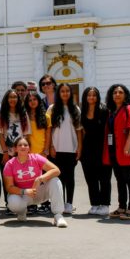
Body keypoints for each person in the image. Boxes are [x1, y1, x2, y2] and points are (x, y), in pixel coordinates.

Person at [4, 137, 68, 228]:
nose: (23, 147)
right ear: (15, 148)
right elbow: (9, 187)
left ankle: (58, 215)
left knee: (55, 180)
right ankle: (22, 212)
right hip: (23, 195)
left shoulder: (36, 158)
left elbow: (56, 170)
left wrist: (40, 179)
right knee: (13, 202)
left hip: (39, 192)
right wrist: (25, 191)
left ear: (29, 148)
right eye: (20, 145)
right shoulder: (10, 164)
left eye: (25, 145)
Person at [103, 84, 130, 221]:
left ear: (125, 95)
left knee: (129, 179)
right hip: (114, 150)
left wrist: (127, 144)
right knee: (120, 180)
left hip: (126, 150)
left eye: (120, 92)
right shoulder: (112, 111)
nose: (117, 95)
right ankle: (121, 207)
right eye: (115, 92)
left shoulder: (128, 108)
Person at [47, 83, 82, 215]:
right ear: (59, 93)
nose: (65, 93)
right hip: (56, 149)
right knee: (58, 177)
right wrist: (50, 146)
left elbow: (79, 131)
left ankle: (69, 203)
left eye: (67, 91)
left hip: (71, 149)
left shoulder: (75, 109)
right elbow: (49, 131)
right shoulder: (52, 108)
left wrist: (80, 147)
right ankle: (59, 203)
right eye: (62, 91)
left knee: (70, 178)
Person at [80, 87, 112, 216]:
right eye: (89, 95)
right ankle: (94, 204)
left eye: (94, 95)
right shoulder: (83, 112)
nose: (91, 98)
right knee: (90, 178)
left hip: (103, 148)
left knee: (104, 178)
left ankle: (105, 205)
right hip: (88, 149)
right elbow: (82, 132)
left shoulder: (104, 110)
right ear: (85, 97)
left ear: (98, 97)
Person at [24, 92, 51, 157]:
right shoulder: (24, 116)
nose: (32, 102)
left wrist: (46, 151)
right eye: (30, 100)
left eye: (34, 99)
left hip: (41, 152)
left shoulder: (46, 117)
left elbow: (48, 135)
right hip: (26, 152)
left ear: (38, 100)